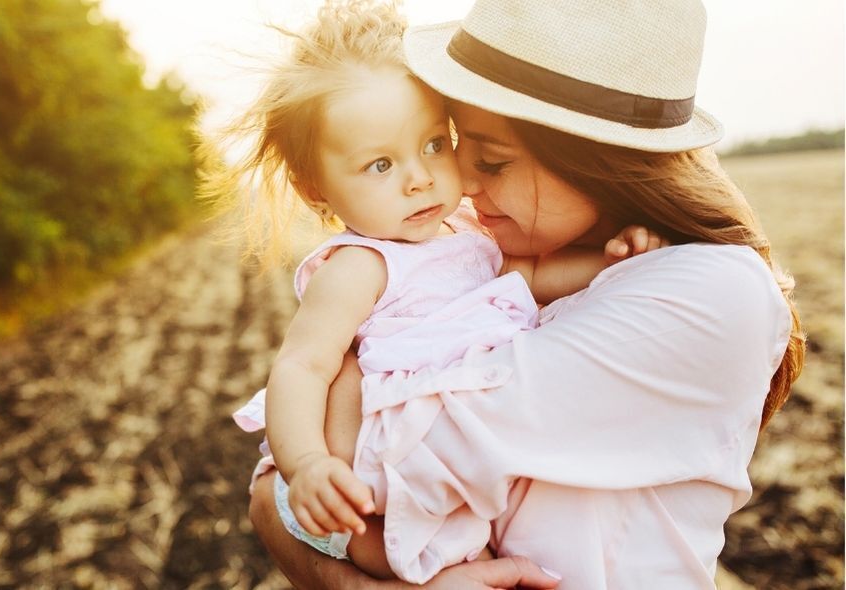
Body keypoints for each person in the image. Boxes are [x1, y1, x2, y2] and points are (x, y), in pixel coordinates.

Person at [245, 0, 807, 588]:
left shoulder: (712, 292)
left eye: (485, 158)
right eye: (459, 146)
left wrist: (343, 389)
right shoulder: (413, 257)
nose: (458, 180)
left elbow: (379, 463)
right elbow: (287, 479)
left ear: (595, 162)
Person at [206, 0, 663, 583]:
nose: (419, 177)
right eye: (379, 165)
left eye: (432, 145)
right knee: (378, 541)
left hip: (461, 444)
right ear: (314, 188)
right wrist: (309, 463)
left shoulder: (469, 234)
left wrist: (613, 259)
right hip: (388, 450)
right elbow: (302, 365)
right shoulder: (361, 265)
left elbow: (529, 279)